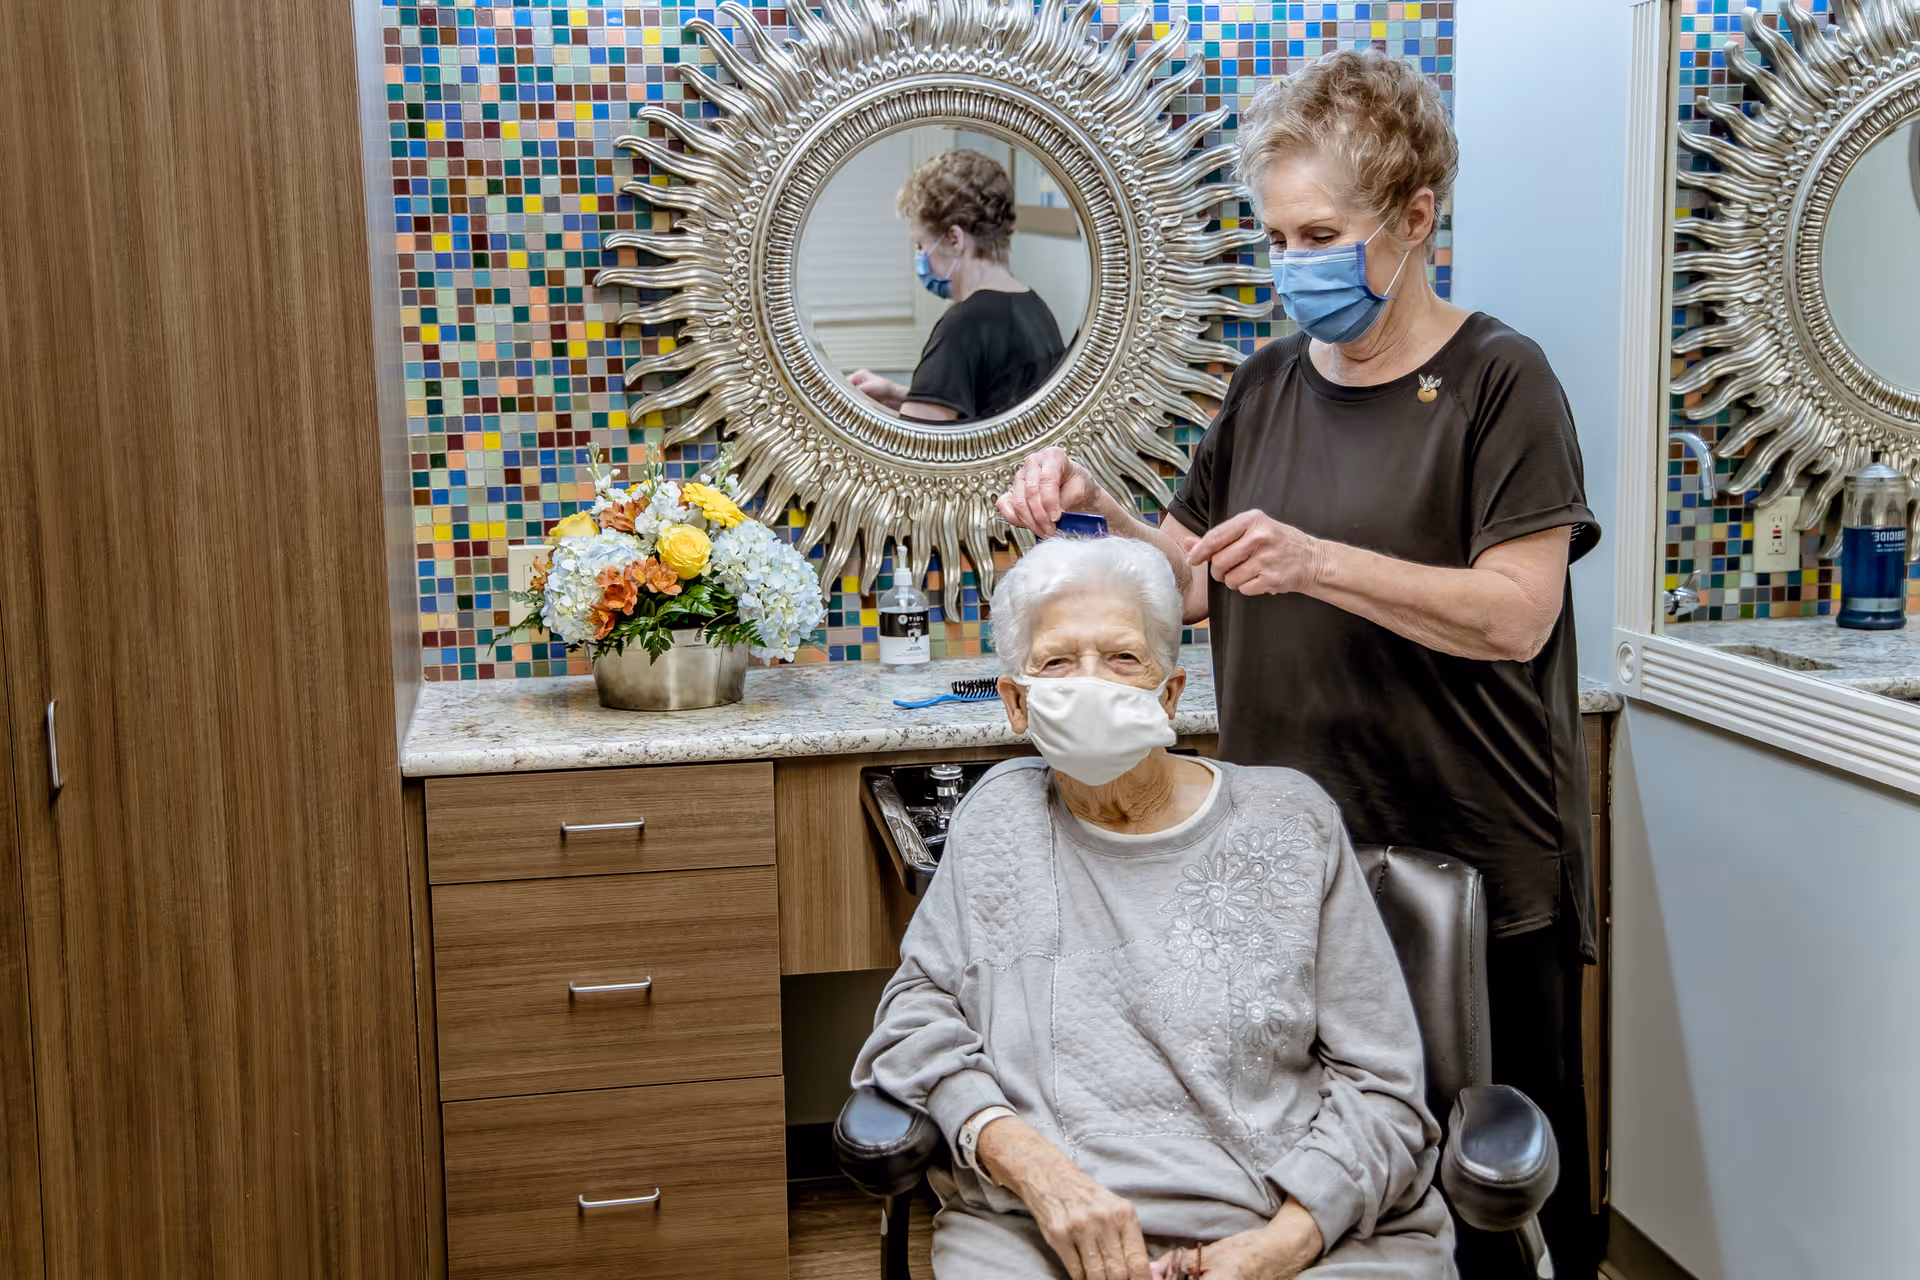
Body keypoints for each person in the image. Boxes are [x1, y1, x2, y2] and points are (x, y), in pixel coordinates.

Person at [995, 51, 1601, 1280]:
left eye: (1321, 231)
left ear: (1417, 215)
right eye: (1277, 235)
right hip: (1289, 856)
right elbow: (1203, 575)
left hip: (1468, 855)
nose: (1293, 264)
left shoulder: (1499, 380)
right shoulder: (1268, 382)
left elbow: (1516, 616)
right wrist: (1098, 509)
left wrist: (1323, 559)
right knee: (1324, 1175)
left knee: (1490, 1183)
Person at [854, 535, 1456, 1280]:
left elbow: (1383, 1089)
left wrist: (1283, 1244)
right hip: (1048, 1230)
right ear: (1016, 702)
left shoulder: (1290, 822)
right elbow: (916, 1018)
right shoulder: (1000, 819)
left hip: (1289, 1226)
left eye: (1123, 659)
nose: (1093, 685)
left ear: (1170, 694)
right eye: (1057, 663)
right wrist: (1033, 1167)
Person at [849, 148, 1067, 423]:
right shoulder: (1033, 307)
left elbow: (912, 446)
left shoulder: (963, 327)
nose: (921, 256)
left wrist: (851, 405)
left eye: (921, 244)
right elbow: (987, 411)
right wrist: (898, 393)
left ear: (954, 239)